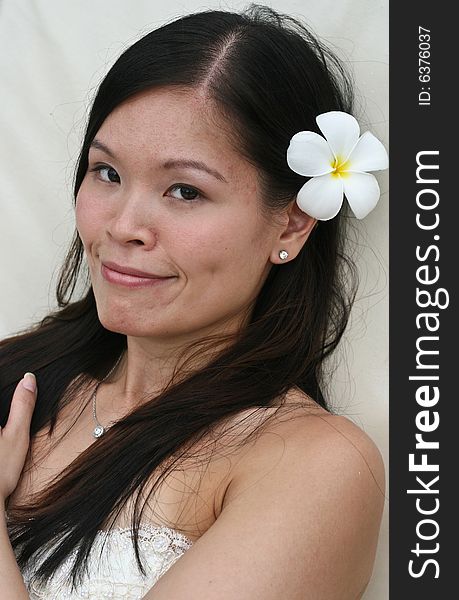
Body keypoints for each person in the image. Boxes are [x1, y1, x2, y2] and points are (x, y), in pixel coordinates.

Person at [0, 4, 387, 599]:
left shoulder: (312, 464)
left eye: (185, 190)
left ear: (291, 223)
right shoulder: (15, 377)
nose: (124, 225)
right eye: (106, 173)